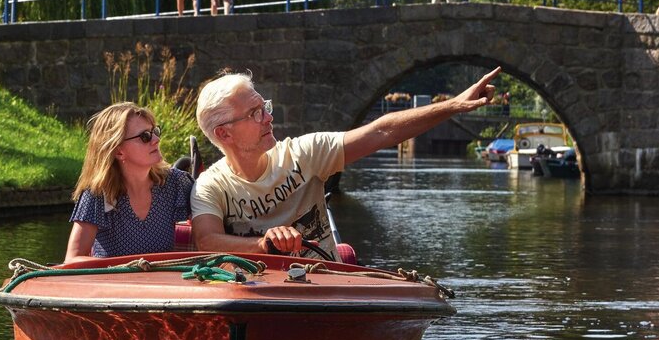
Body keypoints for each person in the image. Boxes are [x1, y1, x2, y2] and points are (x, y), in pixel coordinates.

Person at [190, 67, 500, 260]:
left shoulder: (304, 153)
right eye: (255, 113)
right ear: (223, 133)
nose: (269, 117)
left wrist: (453, 105)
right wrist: (263, 243)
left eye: (265, 107)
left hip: (326, 289)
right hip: (258, 298)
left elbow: (382, 131)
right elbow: (206, 240)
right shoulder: (211, 185)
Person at [64, 102, 194, 262]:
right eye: (145, 136)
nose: (156, 139)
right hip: (115, 285)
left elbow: (208, 236)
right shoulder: (98, 194)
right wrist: (128, 269)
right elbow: (73, 259)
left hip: (164, 284)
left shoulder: (177, 182)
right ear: (119, 152)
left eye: (155, 132)